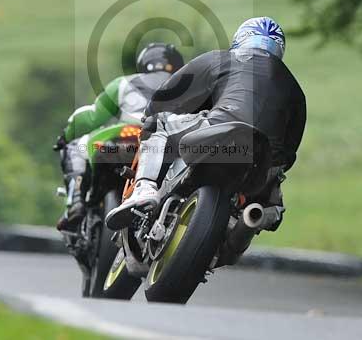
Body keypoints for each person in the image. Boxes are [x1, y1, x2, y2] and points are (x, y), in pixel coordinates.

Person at [106, 17, 306, 231]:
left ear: (240, 39)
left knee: (158, 124)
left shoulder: (223, 59)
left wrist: (150, 115)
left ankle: (144, 189)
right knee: (270, 207)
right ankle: (241, 229)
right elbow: (289, 150)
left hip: (220, 125)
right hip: (262, 157)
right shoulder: (294, 87)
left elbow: (165, 97)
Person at [54, 43, 184, 231]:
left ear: (143, 62)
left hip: (127, 136)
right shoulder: (188, 86)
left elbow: (92, 117)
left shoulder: (124, 83)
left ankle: (76, 204)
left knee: (76, 146)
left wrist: (65, 136)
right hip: (169, 148)